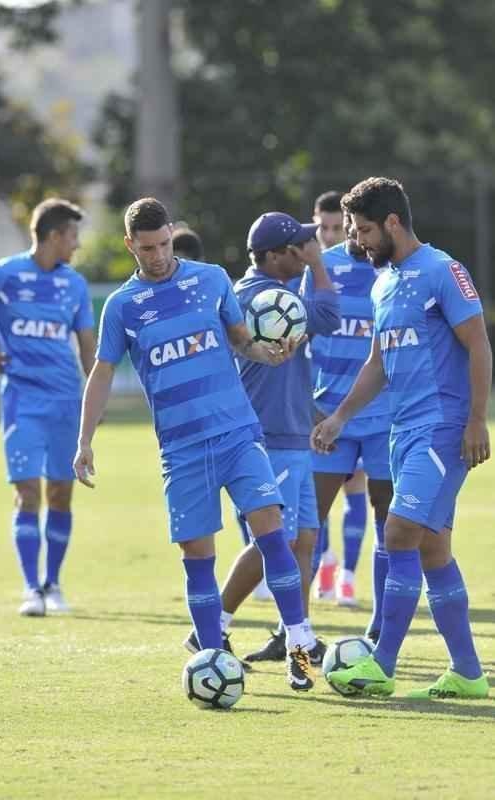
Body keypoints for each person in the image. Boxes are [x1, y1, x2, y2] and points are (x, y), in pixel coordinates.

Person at [73, 197, 316, 692]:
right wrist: (84, 441)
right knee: (197, 557)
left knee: (274, 533)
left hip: (237, 433)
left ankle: (300, 649)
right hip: (182, 450)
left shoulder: (211, 280)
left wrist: (265, 355)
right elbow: (101, 372)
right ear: (130, 246)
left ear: (171, 235)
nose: (158, 255)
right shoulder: (122, 307)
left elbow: (241, 340)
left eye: (163, 244)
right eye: (147, 248)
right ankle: (212, 657)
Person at [312, 177, 491, 699]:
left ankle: (382, 663)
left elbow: (478, 345)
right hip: (402, 430)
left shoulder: (442, 271)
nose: (358, 241)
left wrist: (477, 420)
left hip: (443, 428)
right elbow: (377, 363)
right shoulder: (383, 282)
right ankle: (469, 673)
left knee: (397, 535)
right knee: (433, 550)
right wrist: (340, 417)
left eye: (365, 230)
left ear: (393, 222)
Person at [187, 212, 340, 665]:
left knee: (305, 539)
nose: (308, 250)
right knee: (275, 541)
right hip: (270, 434)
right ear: (274, 257)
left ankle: (298, 637)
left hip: (293, 431)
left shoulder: (268, 291)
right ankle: (211, 627)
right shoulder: (265, 297)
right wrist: (318, 267)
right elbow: (330, 315)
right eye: (299, 247)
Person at [0, 198, 96, 616]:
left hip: (66, 401)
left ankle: (53, 583)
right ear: (55, 236)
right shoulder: (4, 273)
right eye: (73, 236)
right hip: (22, 401)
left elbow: (87, 345)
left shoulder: (73, 283)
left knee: (60, 492)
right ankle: (30, 590)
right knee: (27, 493)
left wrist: (94, 400)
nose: (76, 245)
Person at [311, 210, 393, 636]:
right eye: (354, 226)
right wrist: (310, 406)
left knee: (389, 523)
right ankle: (296, 632)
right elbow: (301, 336)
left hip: (383, 418)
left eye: (368, 226)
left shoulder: (396, 271)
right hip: (327, 416)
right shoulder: (323, 268)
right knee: (310, 521)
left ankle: (380, 627)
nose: (361, 234)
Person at [311, 190, 370, 605]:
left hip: (371, 409)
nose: (333, 234)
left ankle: (347, 572)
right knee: (316, 503)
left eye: (340, 226)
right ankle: (324, 567)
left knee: (359, 491)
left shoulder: (385, 270)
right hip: (323, 406)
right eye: (326, 228)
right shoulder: (317, 270)